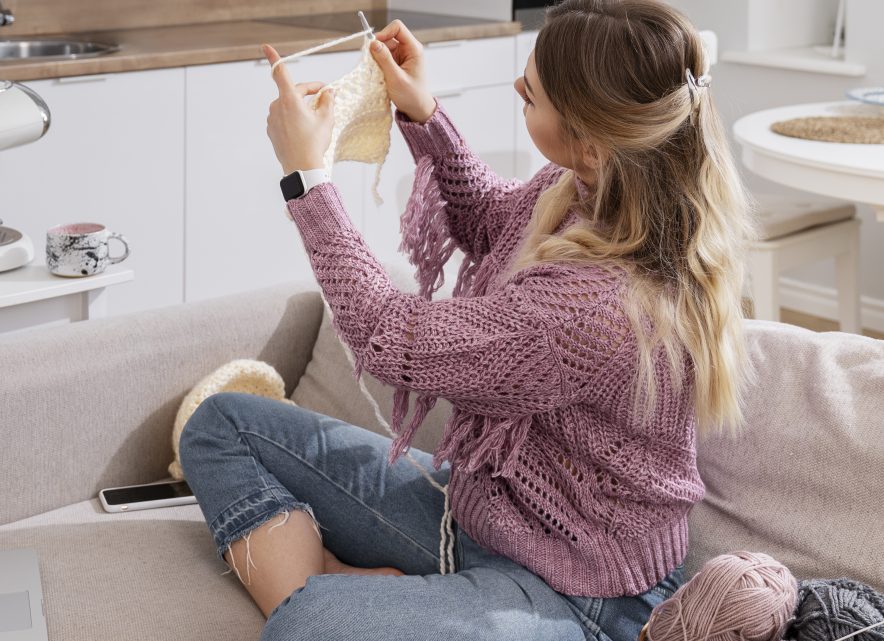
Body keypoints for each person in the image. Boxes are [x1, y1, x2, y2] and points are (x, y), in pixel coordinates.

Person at [178, 1, 754, 639]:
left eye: (530, 95)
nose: (515, 89)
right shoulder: (588, 189)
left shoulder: (593, 310)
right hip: (480, 512)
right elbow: (488, 219)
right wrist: (421, 111)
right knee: (219, 423)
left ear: (592, 142)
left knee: (309, 624)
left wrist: (307, 180)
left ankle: (344, 597)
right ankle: (363, 586)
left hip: (574, 591)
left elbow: (389, 336)